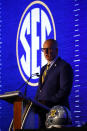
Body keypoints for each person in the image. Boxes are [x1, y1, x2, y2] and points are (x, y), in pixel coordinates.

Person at [34, 39, 73, 128]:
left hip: (57, 115)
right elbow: (40, 89)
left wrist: (48, 103)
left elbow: (64, 90)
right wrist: (35, 103)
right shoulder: (43, 69)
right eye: (44, 49)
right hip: (42, 114)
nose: (46, 52)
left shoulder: (64, 66)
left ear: (56, 50)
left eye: (49, 49)